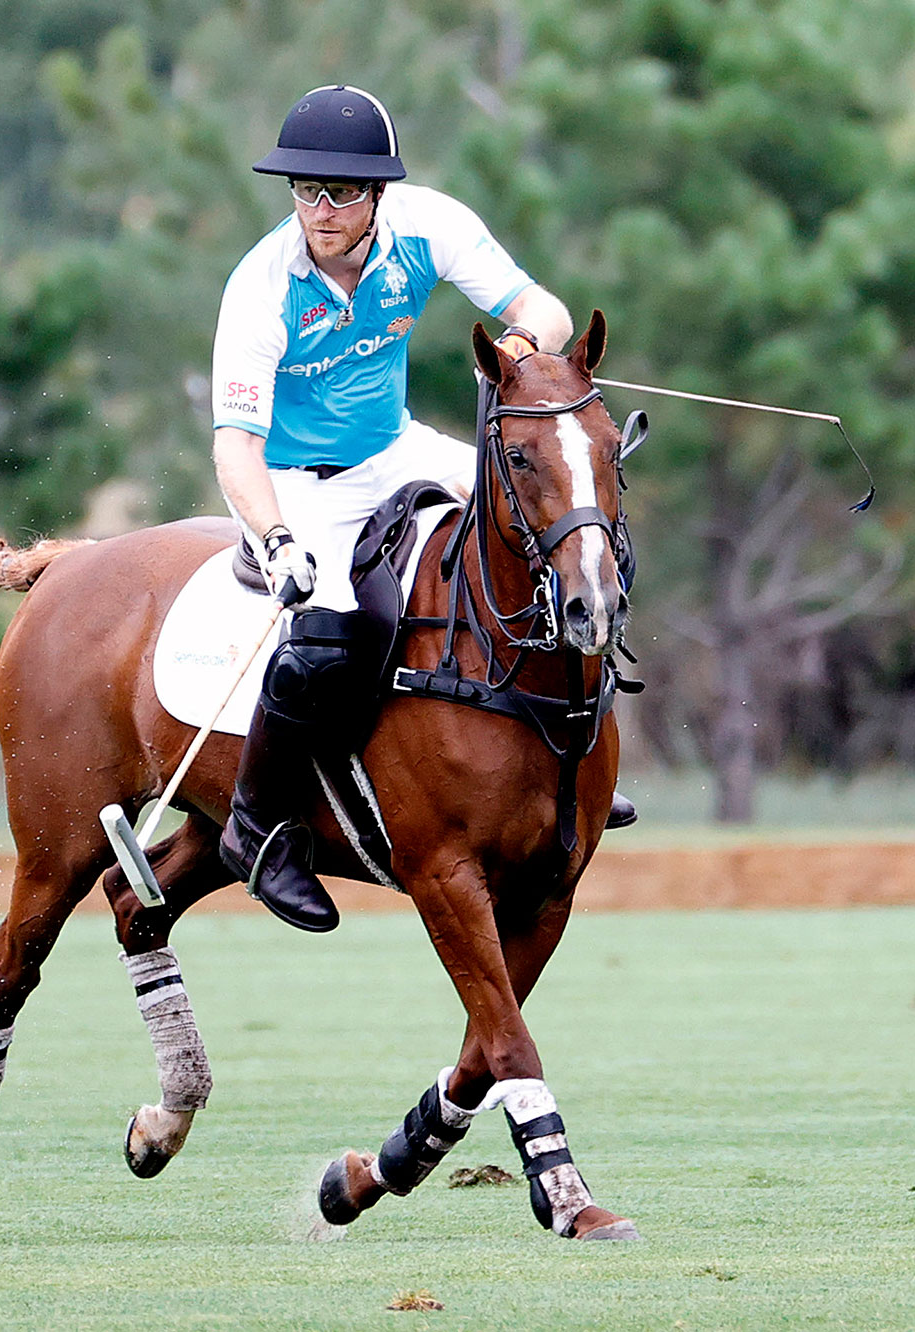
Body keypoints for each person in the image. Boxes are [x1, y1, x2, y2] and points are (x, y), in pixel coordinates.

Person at [211, 84, 634, 934]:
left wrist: (522, 346)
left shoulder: (430, 226)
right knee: (330, 637)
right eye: (304, 190)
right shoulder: (263, 285)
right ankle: (258, 830)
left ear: (377, 196)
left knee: (566, 529)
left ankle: (572, 754)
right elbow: (235, 449)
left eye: (339, 193)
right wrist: (278, 535)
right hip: (300, 479)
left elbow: (540, 310)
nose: (319, 209)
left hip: (395, 447)